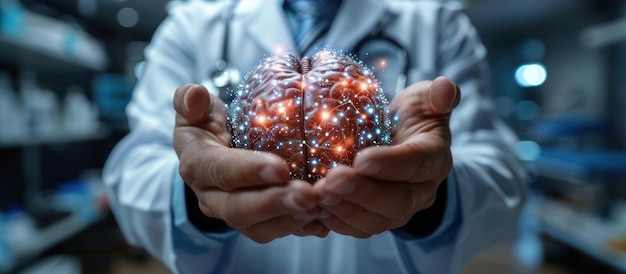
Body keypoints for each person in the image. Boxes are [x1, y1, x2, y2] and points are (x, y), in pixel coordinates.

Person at [103, 0, 527, 273]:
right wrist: (197, 196)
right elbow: (133, 171)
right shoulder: (192, 24)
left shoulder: (437, 19)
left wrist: (432, 194)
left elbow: (501, 176)